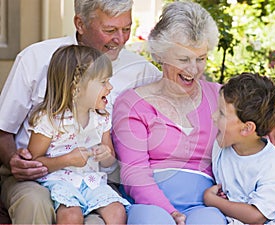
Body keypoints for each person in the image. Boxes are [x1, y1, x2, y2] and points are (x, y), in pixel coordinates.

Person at [0, 0, 161, 224]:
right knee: (34, 204)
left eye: (126, 28)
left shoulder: (143, 72)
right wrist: (14, 161)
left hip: (96, 179)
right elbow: (2, 130)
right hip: (35, 178)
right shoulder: (35, 59)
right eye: (110, 30)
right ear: (80, 23)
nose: (121, 39)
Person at [112, 2, 227, 224]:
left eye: (200, 58)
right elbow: (134, 173)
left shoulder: (221, 97)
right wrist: (171, 212)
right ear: (161, 55)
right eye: (183, 59)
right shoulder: (133, 103)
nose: (193, 69)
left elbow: (256, 142)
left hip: (205, 204)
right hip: (148, 204)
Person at [27, 45, 130, 224]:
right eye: (103, 82)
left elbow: (110, 160)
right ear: (77, 88)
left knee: (117, 211)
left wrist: (105, 155)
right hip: (60, 181)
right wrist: (67, 160)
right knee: (71, 216)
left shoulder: (101, 118)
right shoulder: (50, 120)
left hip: (92, 181)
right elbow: (34, 163)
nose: (110, 87)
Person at [203, 72, 275, 224]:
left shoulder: (272, 164)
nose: (213, 117)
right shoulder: (223, 145)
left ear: (247, 129)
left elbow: (256, 217)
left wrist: (211, 200)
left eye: (221, 113)